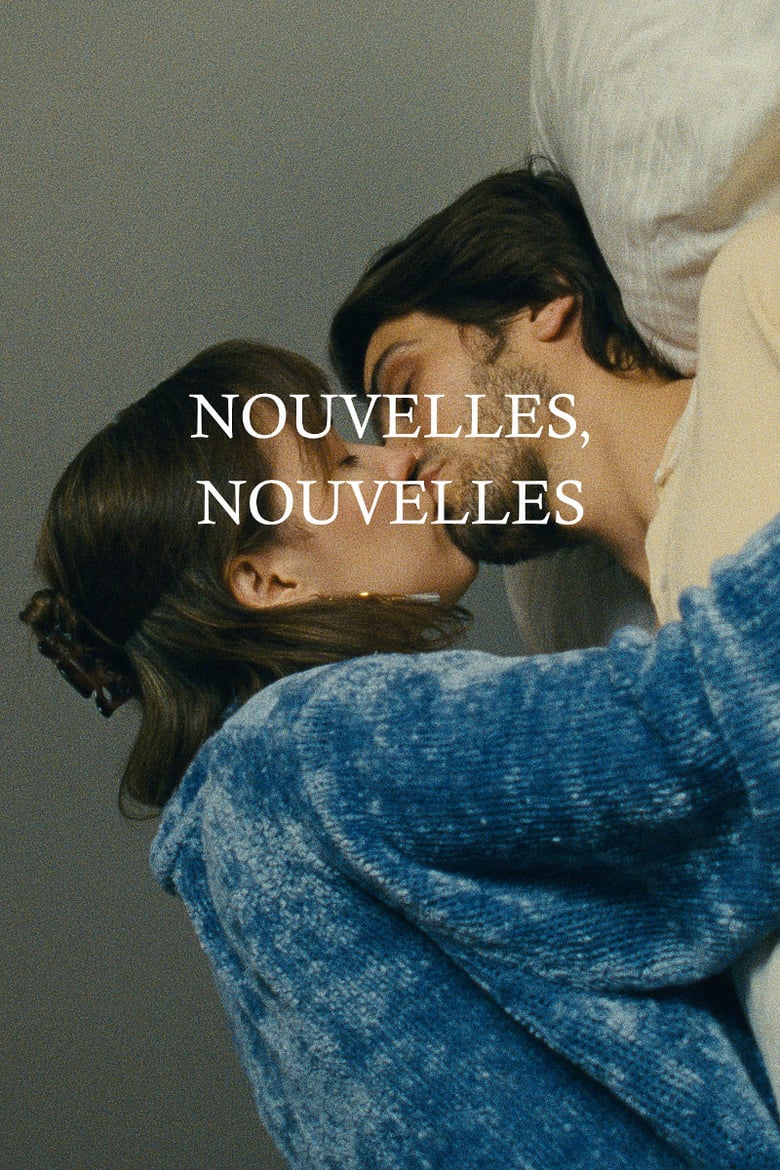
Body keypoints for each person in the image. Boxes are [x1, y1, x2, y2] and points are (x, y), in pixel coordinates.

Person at [21, 339, 780, 1168]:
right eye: (341, 464)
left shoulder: (244, 854)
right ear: (268, 580)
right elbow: (690, 733)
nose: (400, 455)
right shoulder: (307, 743)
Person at [329, 165, 780, 1099]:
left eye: (406, 389)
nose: (399, 458)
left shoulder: (752, 305)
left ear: (541, 301)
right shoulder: (640, 682)